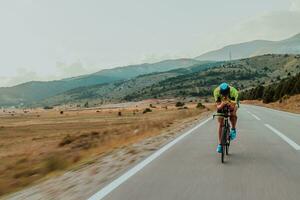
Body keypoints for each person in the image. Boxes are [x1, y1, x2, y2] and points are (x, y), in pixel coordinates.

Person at [213, 83, 239, 153]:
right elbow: (218, 107)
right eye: (223, 94)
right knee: (220, 123)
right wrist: (222, 104)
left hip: (232, 103)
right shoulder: (216, 91)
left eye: (225, 94)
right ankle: (220, 144)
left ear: (229, 91)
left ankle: (233, 129)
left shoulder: (234, 92)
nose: (224, 96)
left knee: (233, 114)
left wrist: (229, 104)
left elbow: (233, 107)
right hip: (222, 104)